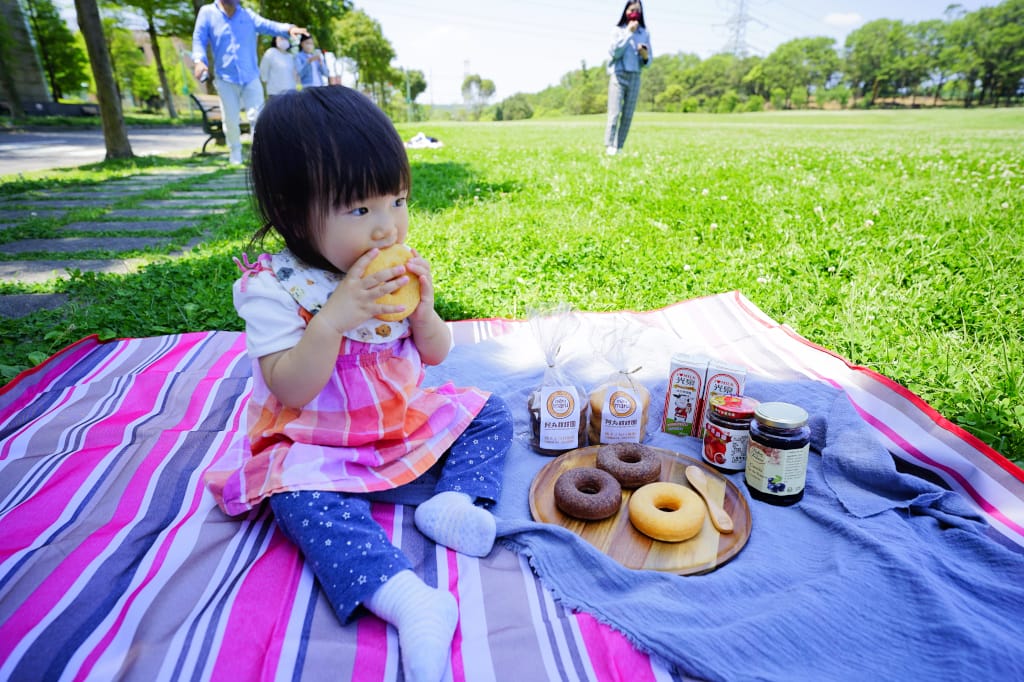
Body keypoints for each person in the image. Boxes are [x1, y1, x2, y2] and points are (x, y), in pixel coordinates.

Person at [204, 86, 513, 682]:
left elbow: (438, 354)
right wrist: (334, 319)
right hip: (318, 438)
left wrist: (424, 312)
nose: (386, 228)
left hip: (397, 421)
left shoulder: (394, 271)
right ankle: (407, 598)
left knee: (489, 411)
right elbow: (290, 389)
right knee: (291, 497)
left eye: (397, 201)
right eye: (359, 210)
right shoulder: (275, 290)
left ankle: (453, 502)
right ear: (296, 214)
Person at [191, 0, 306, 164]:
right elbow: (199, 39)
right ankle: (235, 153)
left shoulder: (247, 15)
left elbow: (269, 25)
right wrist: (199, 61)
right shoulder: (207, 13)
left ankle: (258, 154)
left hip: (250, 76)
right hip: (225, 77)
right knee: (230, 119)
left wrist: (289, 29)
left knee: (258, 117)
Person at [604, 1, 652, 155]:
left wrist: (645, 56)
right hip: (618, 74)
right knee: (615, 112)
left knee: (628, 114)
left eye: (637, 10)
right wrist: (629, 33)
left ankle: (619, 147)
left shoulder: (644, 33)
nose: (634, 13)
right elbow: (615, 52)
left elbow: (649, 62)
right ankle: (609, 145)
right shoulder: (617, 30)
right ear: (626, 11)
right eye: (632, 10)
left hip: (635, 75)